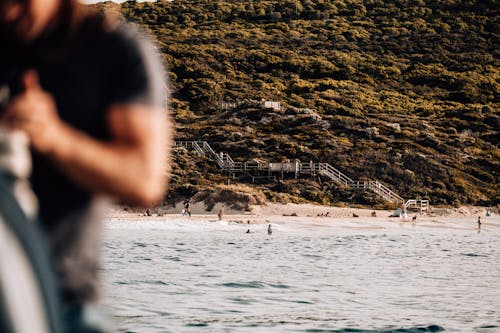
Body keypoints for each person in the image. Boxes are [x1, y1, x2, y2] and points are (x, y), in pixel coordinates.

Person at [0, 0, 172, 331]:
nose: (7, 11)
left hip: (66, 305)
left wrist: (54, 137)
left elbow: (145, 179)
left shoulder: (113, 51)